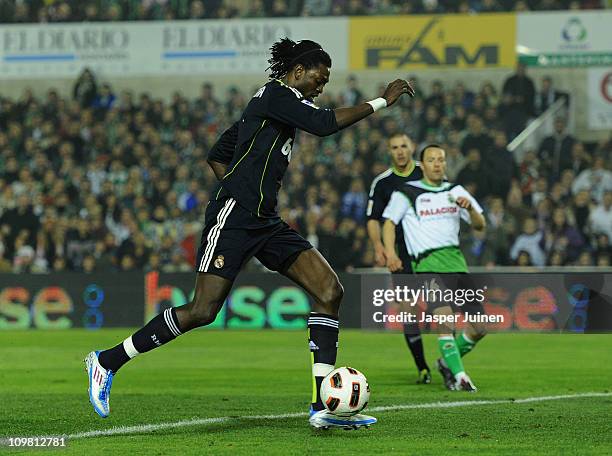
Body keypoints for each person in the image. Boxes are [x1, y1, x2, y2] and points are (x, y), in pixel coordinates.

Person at [84, 37, 415, 430]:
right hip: (235, 218)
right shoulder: (276, 94)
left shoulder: (269, 110)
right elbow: (324, 125)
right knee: (203, 310)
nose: (321, 87)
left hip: (265, 221)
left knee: (329, 291)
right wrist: (381, 101)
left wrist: (246, 186)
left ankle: (321, 407)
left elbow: (219, 152)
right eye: (319, 79)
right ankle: (106, 361)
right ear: (298, 72)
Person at [381, 145, 487, 392]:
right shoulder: (407, 192)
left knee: (480, 326)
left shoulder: (455, 191)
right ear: (423, 165)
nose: (438, 164)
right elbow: (388, 223)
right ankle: (459, 376)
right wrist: (390, 253)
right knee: (445, 321)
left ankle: (446, 362)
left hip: (457, 263)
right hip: (427, 265)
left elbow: (480, 225)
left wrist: (470, 208)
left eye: (441, 160)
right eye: (432, 160)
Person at [365, 133, 431, 384]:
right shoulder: (382, 183)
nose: (400, 151)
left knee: (441, 306)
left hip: (428, 250)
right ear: (389, 152)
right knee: (408, 309)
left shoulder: (427, 172)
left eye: (404, 146)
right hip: (399, 253)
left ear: (412, 147)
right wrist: (379, 246)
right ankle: (422, 367)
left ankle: (450, 361)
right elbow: (373, 218)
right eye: (395, 147)